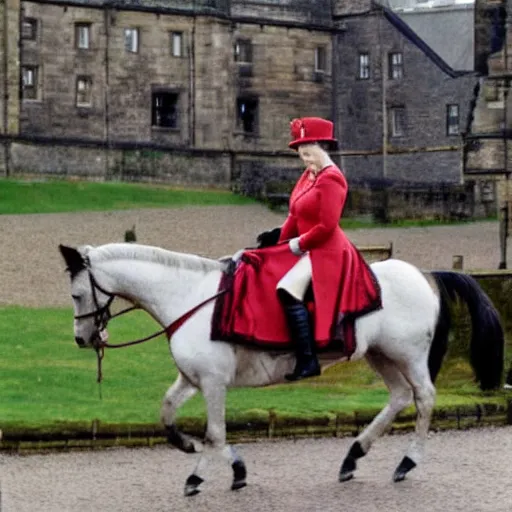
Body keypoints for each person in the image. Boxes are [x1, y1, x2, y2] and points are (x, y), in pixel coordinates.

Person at [257, 117, 381, 381]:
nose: (305, 160)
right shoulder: (308, 176)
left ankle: (308, 360)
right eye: (302, 155)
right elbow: (294, 214)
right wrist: (277, 239)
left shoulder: (332, 179)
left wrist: (294, 244)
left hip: (326, 251)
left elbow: (326, 226)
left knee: (287, 289)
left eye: (308, 153)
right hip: (307, 247)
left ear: (321, 147)